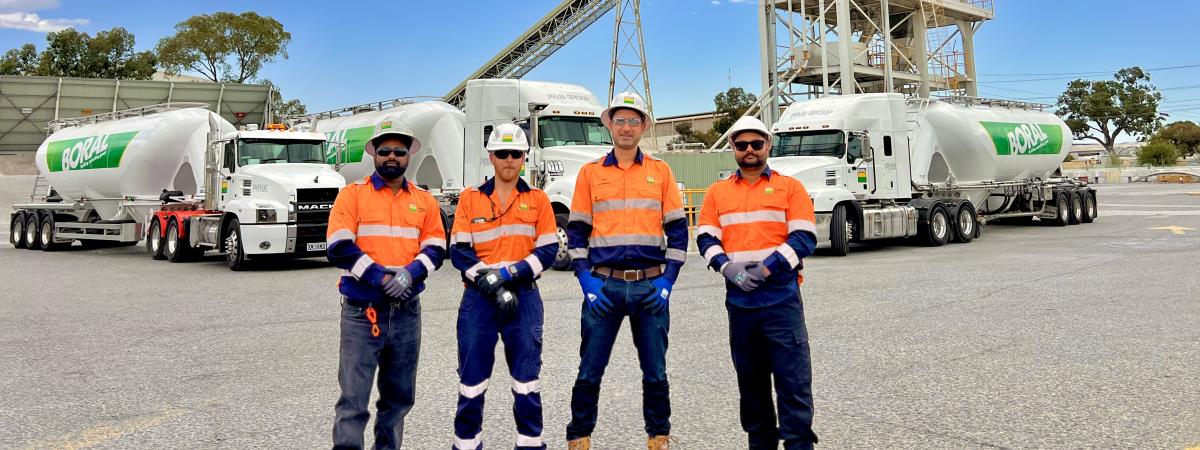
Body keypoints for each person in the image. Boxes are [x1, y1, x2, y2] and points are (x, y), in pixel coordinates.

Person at [564, 92, 688, 450]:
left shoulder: (660, 172)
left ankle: (658, 438)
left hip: (650, 287)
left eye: (634, 121)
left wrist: (667, 281)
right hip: (604, 286)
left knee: (656, 373)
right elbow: (577, 232)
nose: (627, 127)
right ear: (609, 125)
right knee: (589, 371)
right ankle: (579, 438)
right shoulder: (590, 175)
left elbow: (678, 230)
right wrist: (585, 278)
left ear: (644, 127)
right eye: (620, 120)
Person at [695, 116, 819, 450]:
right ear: (733, 148)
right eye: (741, 144)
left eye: (756, 144)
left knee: (794, 387)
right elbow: (705, 237)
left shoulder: (790, 188)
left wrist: (767, 269)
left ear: (768, 145)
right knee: (752, 390)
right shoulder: (717, 193)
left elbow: (805, 237)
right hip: (741, 306)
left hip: (781, 303)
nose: (749, 150)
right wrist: (726, 268)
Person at [326, 120, 446, 449]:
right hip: (362, 314)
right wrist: (380, 277)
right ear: (374, 155)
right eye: (385, 151)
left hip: (406, 312)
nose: (392, 157)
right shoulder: (353, 195)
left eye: (399, 151)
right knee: (353, 401)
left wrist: (410, 273)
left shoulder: (425, 201)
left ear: (409, 156)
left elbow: (436, 248)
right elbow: (338, 246)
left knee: (398, 401)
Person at [448, 123, 558, 449]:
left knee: (527, 382)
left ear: (524, 158)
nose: (509, 159)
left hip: (524, 298)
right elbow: (459, 250)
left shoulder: (539, 200)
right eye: (502, 153)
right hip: (478, 300)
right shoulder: (470, 199)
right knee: (472, 383)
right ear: (491, 158)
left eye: (515, 154)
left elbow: (548, 249)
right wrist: (492, 284)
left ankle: (529, 445)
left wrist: (508, 276)